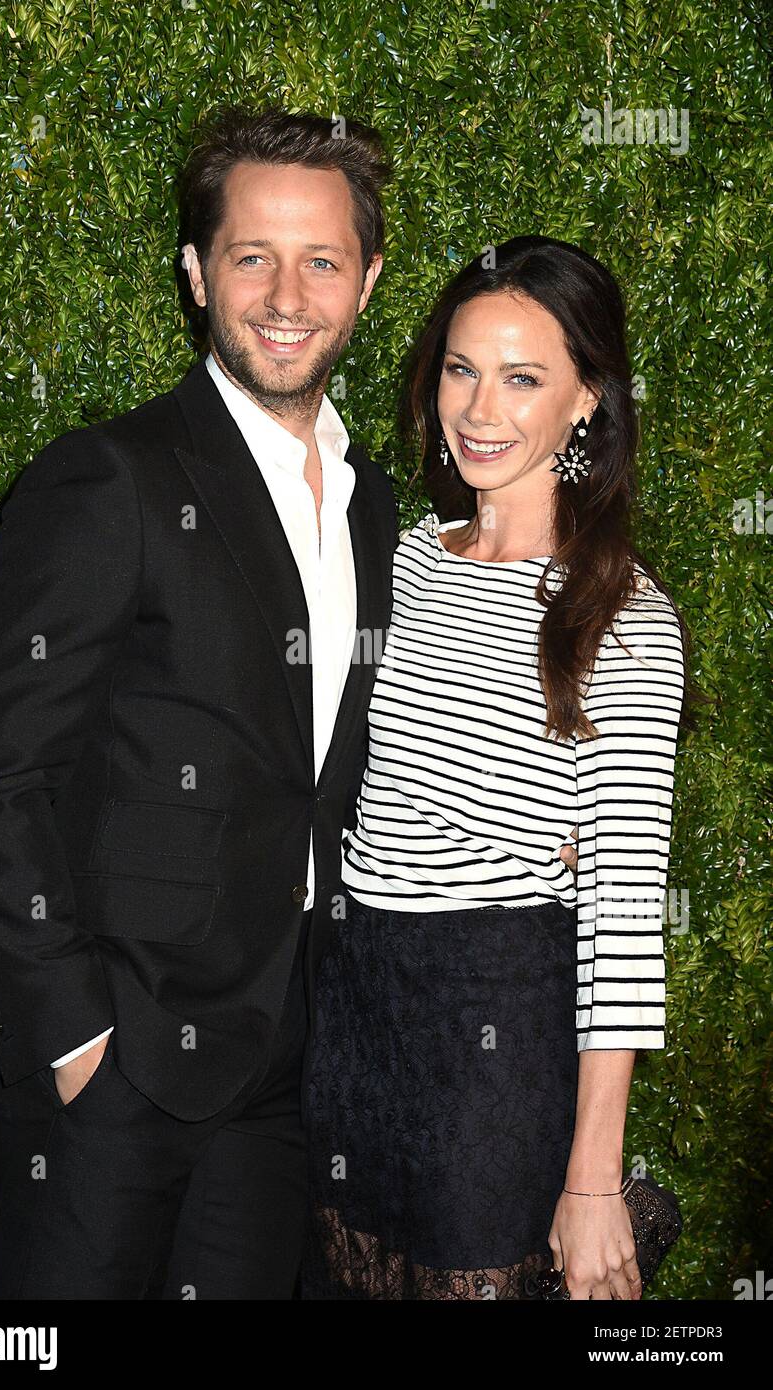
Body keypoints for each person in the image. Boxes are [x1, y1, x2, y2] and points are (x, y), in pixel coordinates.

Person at [0, 107, 400, 1299]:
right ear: (198, 272)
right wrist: (73, 1035)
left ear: (367, 282)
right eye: (252, 256)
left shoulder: (372, 504)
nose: (286, 295)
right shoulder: (113, 476)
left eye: (322, 260)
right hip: (117, 1067)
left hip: (286, 1065)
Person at [301, 236, 688, 1301]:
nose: (478, 409)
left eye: (523, 378)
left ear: (586, 401)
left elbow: (623, 908)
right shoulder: (401, 560)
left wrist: (593, 1178)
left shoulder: (623, 616)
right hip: (353, 1011)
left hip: (496, 1028)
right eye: (461, 369)